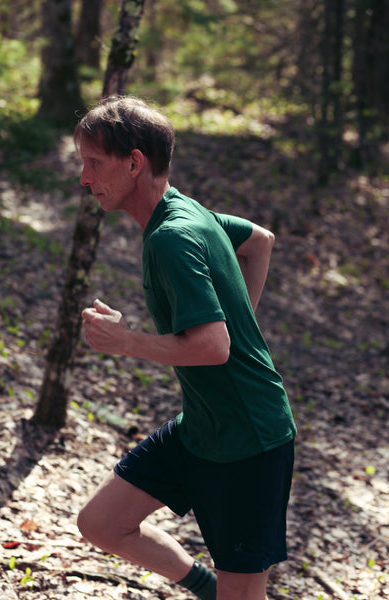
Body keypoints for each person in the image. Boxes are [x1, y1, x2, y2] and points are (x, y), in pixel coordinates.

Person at [75, 95, 297, 600]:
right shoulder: (186, 212)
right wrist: (242, 321)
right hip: (201, 429)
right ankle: (206, 586)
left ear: (134, 162)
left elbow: (214, 348)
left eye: (93, 163)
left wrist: (125, 341)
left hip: (249, 442)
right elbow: (259, 240)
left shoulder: (171, 237)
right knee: (103, 524)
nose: (84, 179)